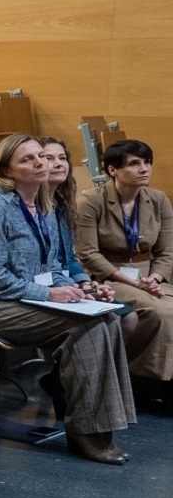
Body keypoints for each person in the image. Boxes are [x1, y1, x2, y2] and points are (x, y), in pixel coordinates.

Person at [0, 135, 135, 463]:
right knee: (88, 326)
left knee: (108, 318)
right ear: (7, 171)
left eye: (41, 155)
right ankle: (85, 430)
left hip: (26, 299)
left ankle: (102, 425)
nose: (41, 163)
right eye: (28, 159)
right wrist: (48, 293)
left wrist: (80, 290)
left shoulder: (45, 208)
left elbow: (52, 266)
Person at [77, 139, 173, 383]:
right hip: (108, 276)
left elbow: (167, 250)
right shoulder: (90, 202)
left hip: (148, 275)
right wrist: (134, 283)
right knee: (160, 311)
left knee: (166, 308)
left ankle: (163, 377)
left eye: (147, 162)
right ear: (113, 170)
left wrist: (154, 279)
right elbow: (88, 254)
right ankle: (143, 377)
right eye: (134, 163)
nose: (144, 169)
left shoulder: (159, 199)